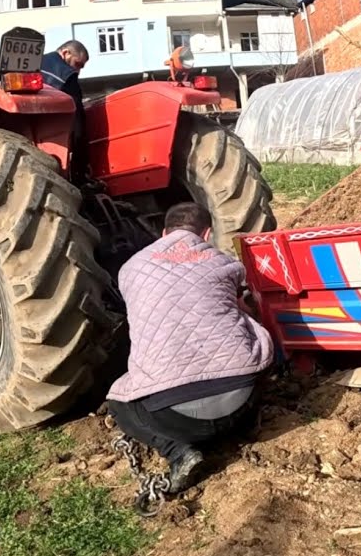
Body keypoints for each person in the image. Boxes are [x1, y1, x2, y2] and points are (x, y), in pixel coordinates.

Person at [105, 202, 274, 500]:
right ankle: (244, 426)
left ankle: (178, 452)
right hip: (243, 400)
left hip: (175, 419)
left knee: (118, 401)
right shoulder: (224, 262)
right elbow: (246, 311)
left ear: (163, 232)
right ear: (206, 233)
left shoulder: (131, 268)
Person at [39, 40, 90, 182]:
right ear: (66, 53)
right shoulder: (67, 76)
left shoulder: (36, 63)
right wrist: (82, 163)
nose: (78, 71)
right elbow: (78, 123)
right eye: (78, 64)